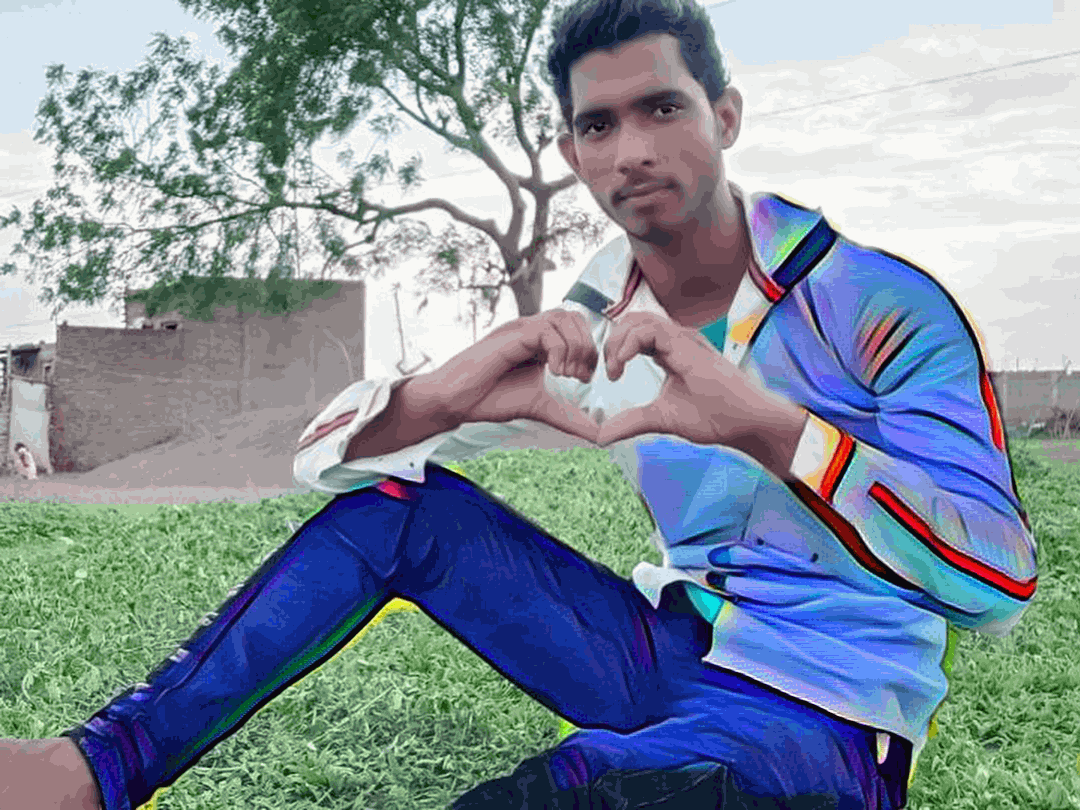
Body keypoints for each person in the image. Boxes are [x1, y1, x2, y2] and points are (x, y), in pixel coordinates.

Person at [0, 0, 1038, 808]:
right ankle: (99, 768)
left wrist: (769, 428)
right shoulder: (603, 315)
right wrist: (441, 392)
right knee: (397, 513)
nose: (631, 150)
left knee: (580, 789)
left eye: (662, 108)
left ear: (724, 116)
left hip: (827, 715)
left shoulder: (874, 304)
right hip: (664, 649)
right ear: (573, 153)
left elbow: (999, 579)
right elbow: (331, 464)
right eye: (599, 124)